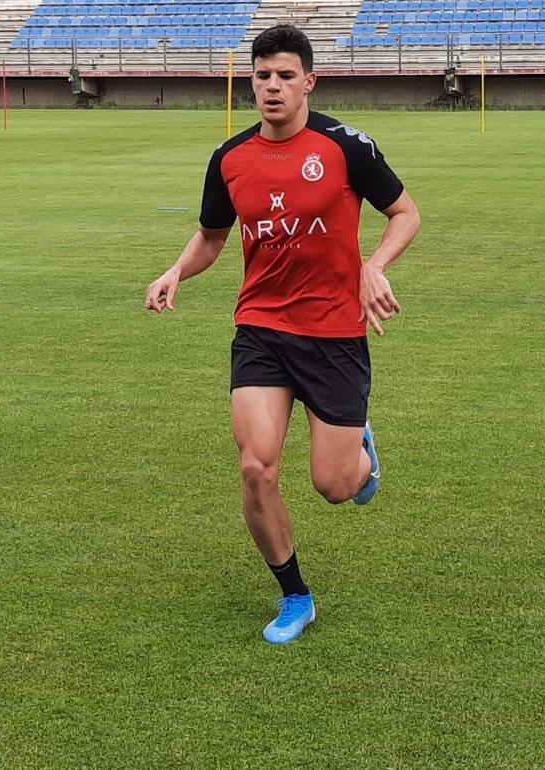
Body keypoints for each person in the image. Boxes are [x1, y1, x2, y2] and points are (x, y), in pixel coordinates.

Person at [145, 24, 421, 645]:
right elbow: (212, 237)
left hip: (334, 335)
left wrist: (373, 267)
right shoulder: (230, 159)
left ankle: (359, 456)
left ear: (309, 82)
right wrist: (176, 271)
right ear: (251, 81)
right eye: (263, 75)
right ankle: (295, 594)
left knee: (334, 486)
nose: (273, 86)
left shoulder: (347, 146)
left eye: (286, 76)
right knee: (255, 468)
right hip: (262, 329)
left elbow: (406, 213)